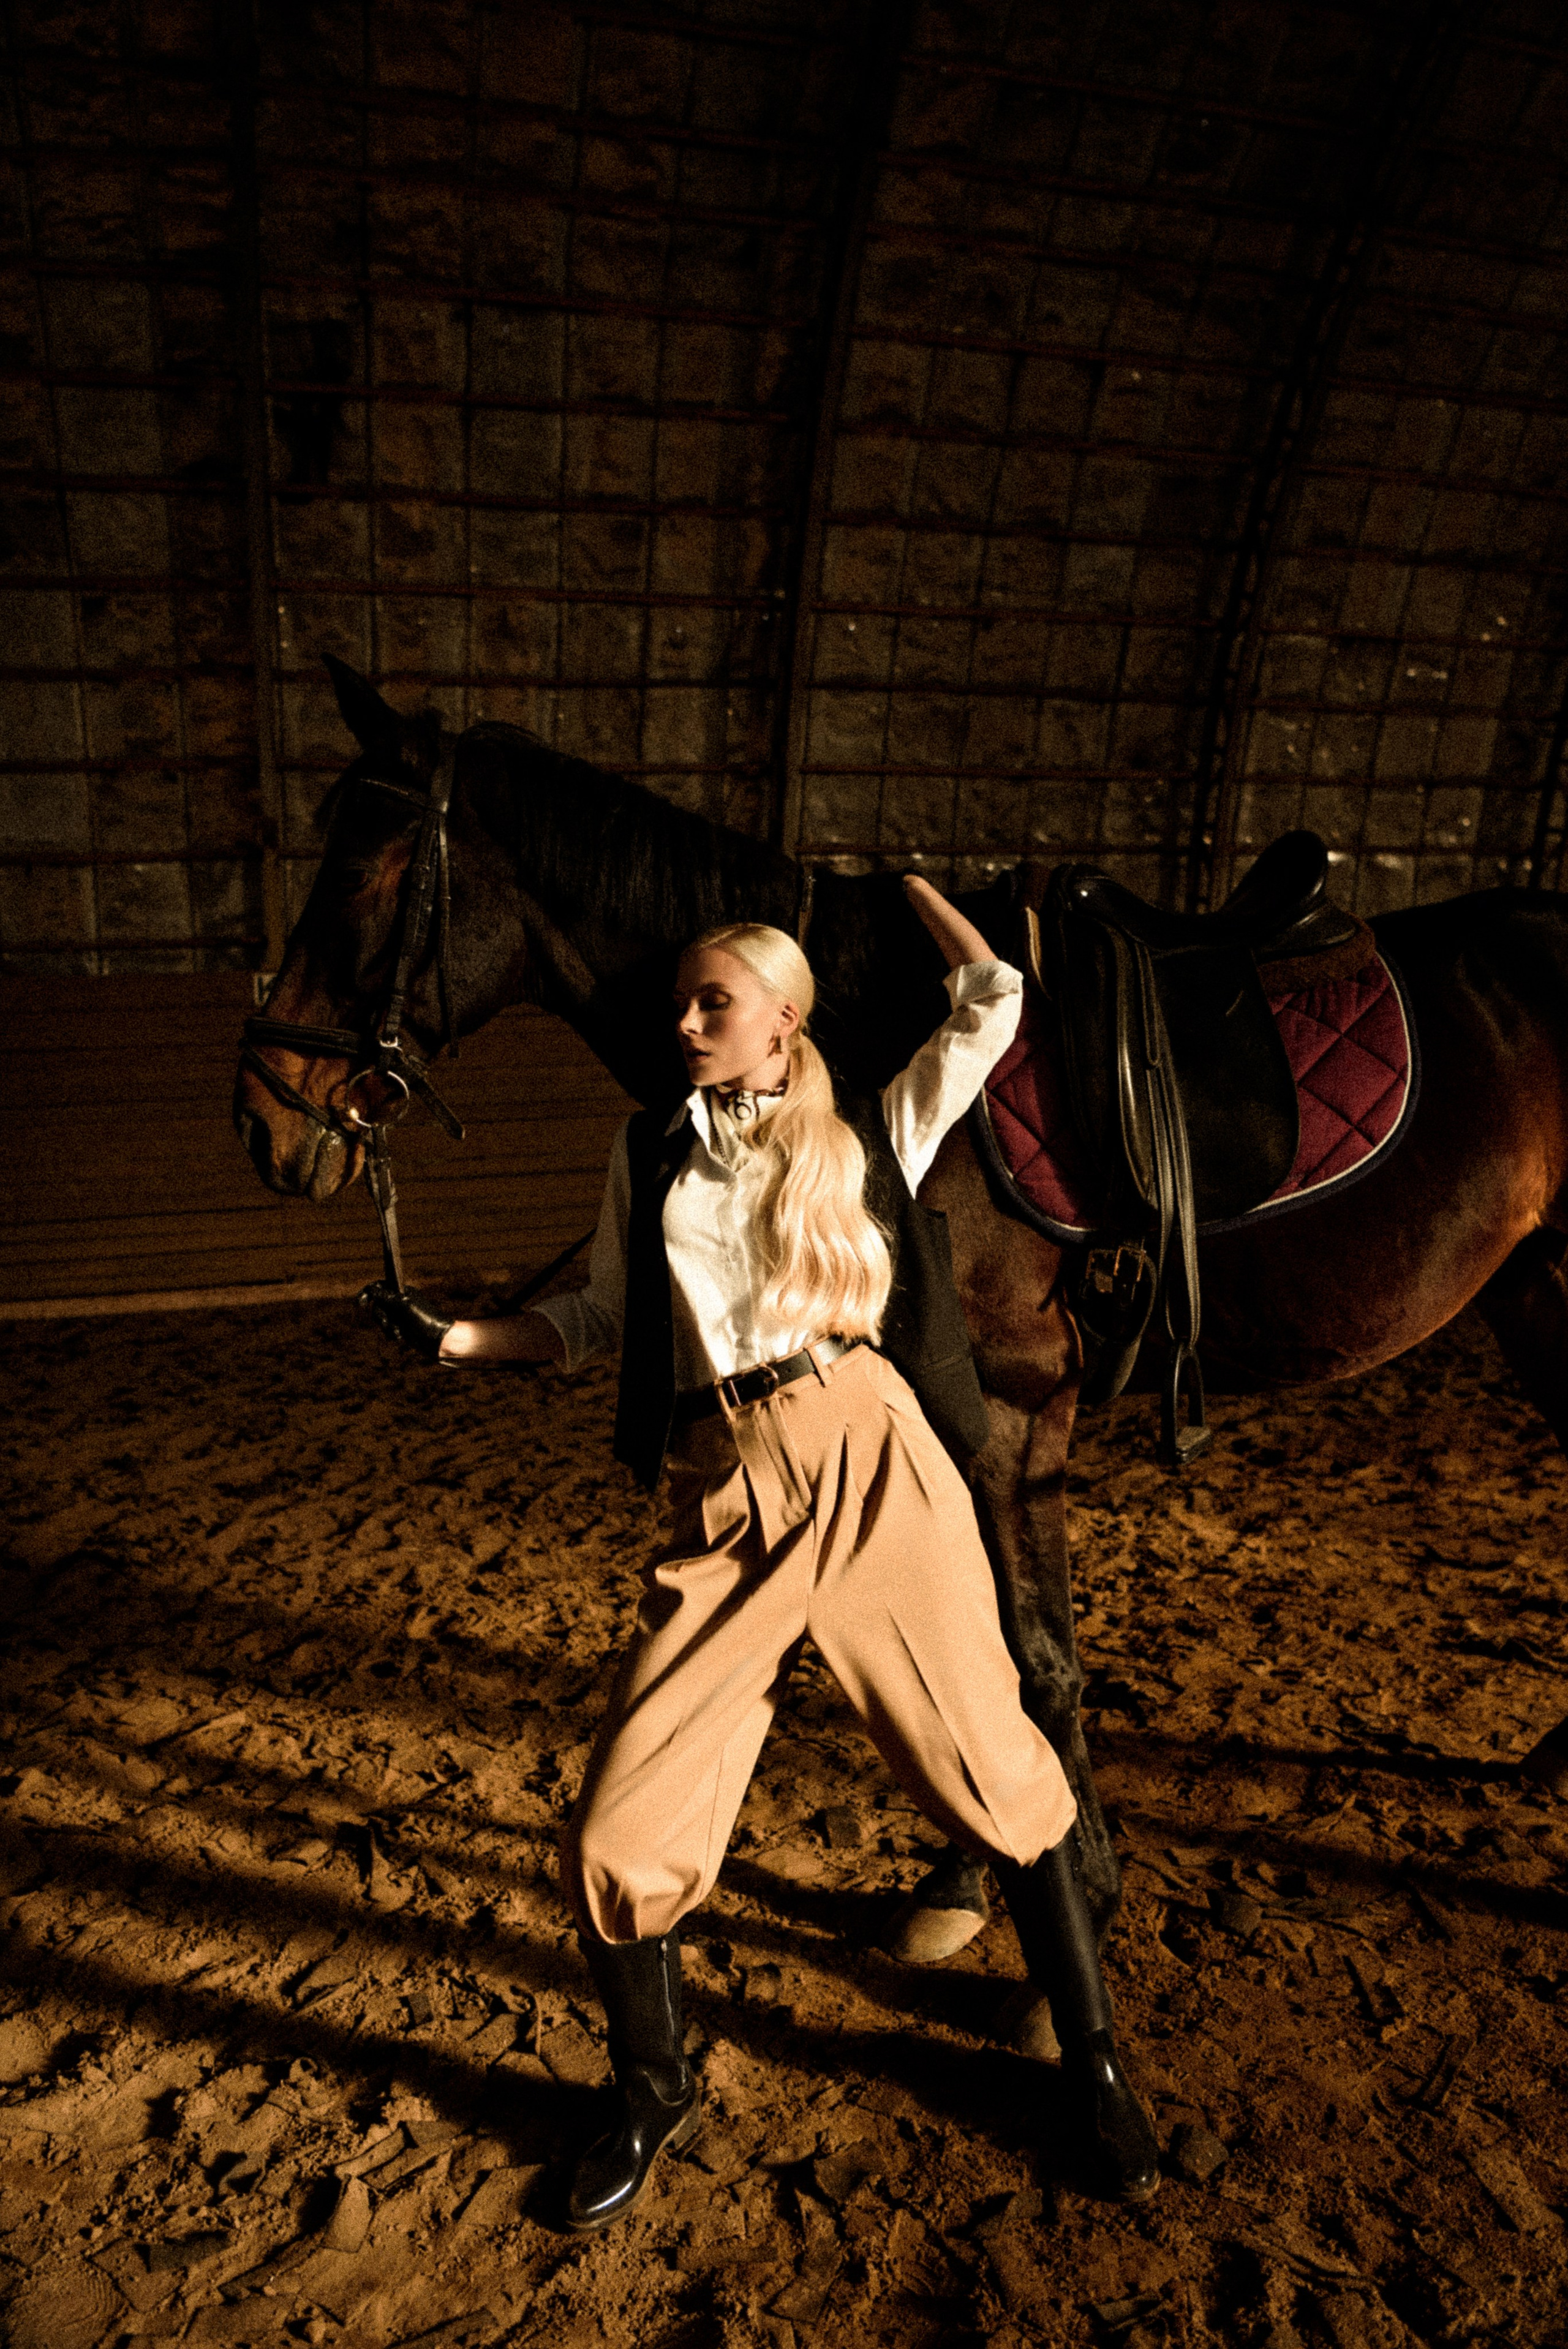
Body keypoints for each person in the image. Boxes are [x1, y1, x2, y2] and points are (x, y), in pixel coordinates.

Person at [371, 877, 1159, 2226]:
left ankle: (1088, 2060)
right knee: (621, 1817)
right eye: (684, 1000)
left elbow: (991, 1005)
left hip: (867, 1458)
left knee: (990, 1762)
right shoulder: (647, 1153)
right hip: (720, 1488)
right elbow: (599, 1317)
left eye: (713, 1001)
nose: (684, 1018)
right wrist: (458, 1338)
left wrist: (916, 891)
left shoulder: (868, 1130)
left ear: (781, 1022)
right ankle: (648, 2087)